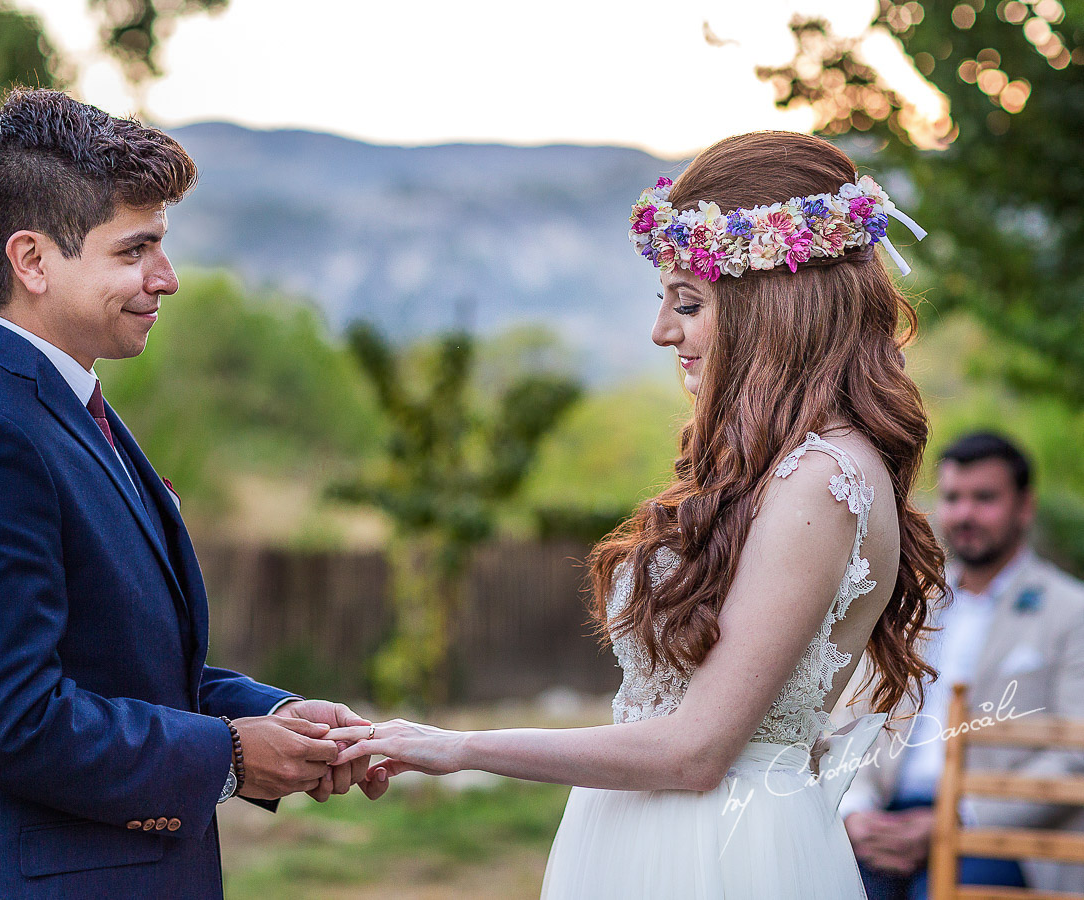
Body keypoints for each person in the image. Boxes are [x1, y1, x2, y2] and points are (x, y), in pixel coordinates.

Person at [329, 131, 946, 898]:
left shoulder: (822, 478)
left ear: (773, 305)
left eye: (687, 302)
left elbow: (696, 751)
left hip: (724, 854)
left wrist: (459, 748)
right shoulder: (775, 470)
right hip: (644, 839)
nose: (661, 330)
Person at [0, 87, 380, 899]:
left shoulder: (69, 405)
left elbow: (126, 671)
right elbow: (11, 721)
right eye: (134, 251)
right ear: (33, 260)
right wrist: (228, 754)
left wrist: (277, 716)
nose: (169, 277)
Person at [839, 431, 1084, 897]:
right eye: (953, 497)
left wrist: (954, 817)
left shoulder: (1072, 612)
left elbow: (1077, 752)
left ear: (1024, 506)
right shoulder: (911, 607)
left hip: (998, 830)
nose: (965, 513)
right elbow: (859, 719)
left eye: (985, 498)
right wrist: (856, 810)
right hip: (888, 816)